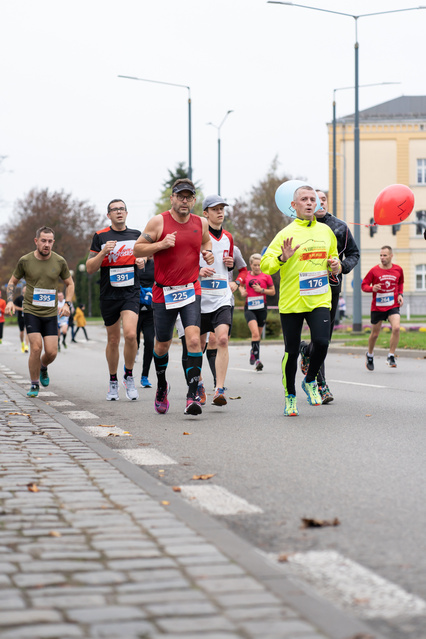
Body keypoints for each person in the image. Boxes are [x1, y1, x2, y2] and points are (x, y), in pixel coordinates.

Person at [133, 178, 214, 416]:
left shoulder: (201, 222)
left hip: (190, 290)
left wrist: (207, 253)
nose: (185, 201)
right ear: (172, 198)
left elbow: (205, 241)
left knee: (193, 340)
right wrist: (160, 245)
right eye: (180, 196)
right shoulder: (159, 222)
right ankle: (161, 387)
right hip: (163, 292)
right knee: (162, 345)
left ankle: (192, 395)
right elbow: (137, 249)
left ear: (194, 200)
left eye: (189, 197)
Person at [260, 185, 340, 417]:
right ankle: (290, 396)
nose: (309, 203)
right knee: (292, 352)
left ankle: (310, 380)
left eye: (312, 199)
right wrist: (281, 258)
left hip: (319, 299)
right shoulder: (285, 233)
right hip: (292, 301)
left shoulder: (326, 232)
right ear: (294, 206)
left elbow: (333, 257)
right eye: (303, 199)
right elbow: (266, 265)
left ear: (317, 204)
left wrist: (335, 264)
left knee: (322, 342)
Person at [299, 190, 360, 403]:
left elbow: (354, 253)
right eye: (315, 199)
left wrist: (341, 267)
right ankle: (320, 384)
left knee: (323, 340)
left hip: (329, 290)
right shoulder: (298, 226)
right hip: (302, 290)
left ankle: (310, 358)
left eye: (323, 199)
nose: (320, 202)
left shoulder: (339, 227)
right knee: (318, 339)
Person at [5, 226, 74, 397]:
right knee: (36, 347)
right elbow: (12, 282)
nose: (47, 244)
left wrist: (67, 304)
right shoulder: (25, 261)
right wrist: (10, 301)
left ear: (53, 243)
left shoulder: (59, 261)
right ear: (36, 241)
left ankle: (43, 367)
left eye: (50, 241)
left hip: (50, 313)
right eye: (43, 241)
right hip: (31, 311)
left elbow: (70, 284)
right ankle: (34, 383)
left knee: (51, 352)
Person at [86, 199, 141, 401]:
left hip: (130, 293)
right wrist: (103, 252)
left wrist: (143, 259)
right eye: (114, 209)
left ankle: (128, 375)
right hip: (109, 294)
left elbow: (148, 256)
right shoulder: (100, 236)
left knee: (131, 335)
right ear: (108, 215)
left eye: (122, 209)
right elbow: (90, 268)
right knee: (113, 339)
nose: (119, 212)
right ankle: (112, 381)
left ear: (127, 213)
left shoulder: (136, 235)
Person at [197, 195, 235, 407]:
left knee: (222, 339)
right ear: (205, 213)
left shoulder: (228, 237)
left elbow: (227, 265)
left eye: (222, 208)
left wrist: (230, 264)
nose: (220, 212)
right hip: (200, 297)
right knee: (198, 344)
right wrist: (199, 270)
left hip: (221, 296)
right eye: (215, 209)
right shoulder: (196, 236)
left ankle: (219, 388)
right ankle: (199, 383)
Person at [204, 244, 248, 389]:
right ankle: (215, 381)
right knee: (211, 340)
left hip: (225, 300)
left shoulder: (233, 249)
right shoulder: (199, 245)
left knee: (223, 340)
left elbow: (243, 270)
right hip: (204, 298)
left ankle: (218, 382)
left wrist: (237, 283)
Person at [362, 245, 404, 370]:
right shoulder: (374, 270)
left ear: (391, 256)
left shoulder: (398, 269)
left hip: (393, 305)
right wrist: (372, 288)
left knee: (396, 328)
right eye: (380, 255)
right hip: (378, 306)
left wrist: (400, 294)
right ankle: (369, 354)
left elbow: (400, 282)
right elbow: (364, 285)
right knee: (375, 334)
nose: (382, 258)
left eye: (385, 255)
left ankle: (391, 355)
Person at [239, 253, 275, 371]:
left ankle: (253, 351)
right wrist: (242, 291)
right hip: (249, 308)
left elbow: (273, 292)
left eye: (259, 265)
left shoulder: (266, 276)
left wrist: (262, 290)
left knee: (258, 336)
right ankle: (258, 360)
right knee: (255, 334)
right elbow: (241, 285)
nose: (257, 267)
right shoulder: (247, 276)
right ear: (250, 265)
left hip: (261, 308)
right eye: (254, 265)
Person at [136, 256, 155, 388]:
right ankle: (128, 373)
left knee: (149, 342)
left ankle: (145, 376)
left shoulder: (155, 264)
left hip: (150, 309)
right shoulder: (134, 262)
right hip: (134, 309)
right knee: (133, 342)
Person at [13, 286, 29, 352]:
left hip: (28, 317)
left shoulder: (30, 298)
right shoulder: (19, 298)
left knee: (27, 331)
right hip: (20, 317)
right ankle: (22, 343)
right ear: (23, 290)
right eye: (25, 289)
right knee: (22, 332)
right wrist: (21, 309)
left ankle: (26, 346)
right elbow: (14, 306)